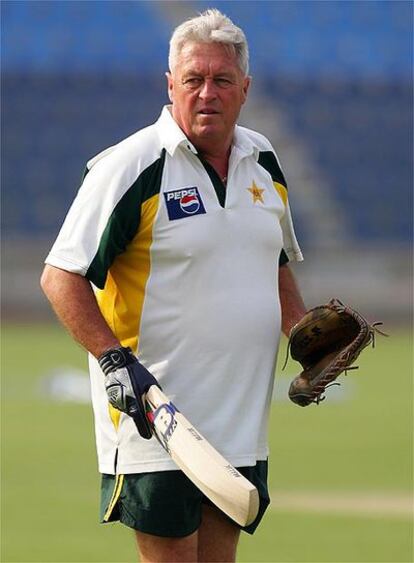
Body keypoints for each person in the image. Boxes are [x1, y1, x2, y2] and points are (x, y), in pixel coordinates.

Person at [41, 8, 306, 563]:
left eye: (221, 79)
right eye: (194, 79)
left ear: (245, 88)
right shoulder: (133, 164)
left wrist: (303, 333)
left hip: (239, 420)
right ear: (171, 85)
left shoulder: (264, 163)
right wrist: (114, 361)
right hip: (157, 420)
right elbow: (61, 274)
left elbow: (275, 260)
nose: (207, 92)